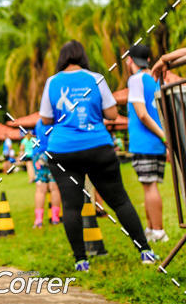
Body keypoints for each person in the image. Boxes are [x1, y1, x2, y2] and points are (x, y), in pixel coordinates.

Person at [39, 40, 157, 271]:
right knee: (120, 200)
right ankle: (145, 251)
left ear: (62, 58)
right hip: (97, 147)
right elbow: (112, 114)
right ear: (83, 56)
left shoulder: (51, 82)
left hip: (63, 151)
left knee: (71, 206)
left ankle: (81, 260)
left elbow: (45, 119)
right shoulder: (96, 78)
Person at [126, 44, 168, 244]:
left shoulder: (135, 80)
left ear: (130, 61)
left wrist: (163, 136)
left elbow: (142, 113)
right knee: (149, 185)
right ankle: (151, 229)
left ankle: (159, 231)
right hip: (156, 143)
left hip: (145, 142)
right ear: (149, 61)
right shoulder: (154, 80)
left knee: (150, 186)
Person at [32, 119, 62, 228]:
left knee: (40, 189)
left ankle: (38, 220)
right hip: (53, 152)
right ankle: (55, 218)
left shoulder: (39, 122)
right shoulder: (58, 120)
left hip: (38, 154)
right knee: (54, 188)